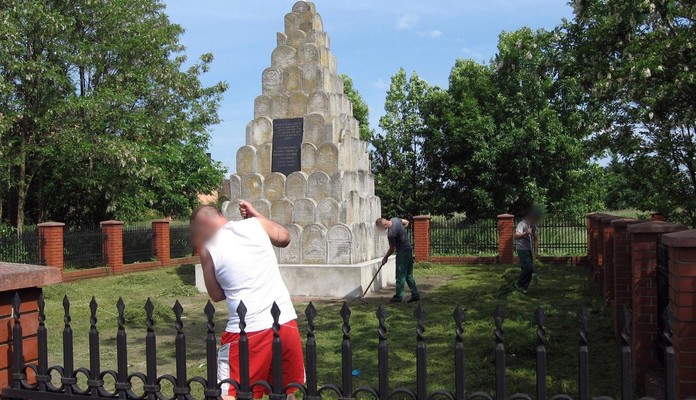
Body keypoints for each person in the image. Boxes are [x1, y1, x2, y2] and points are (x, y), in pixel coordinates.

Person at [190, 202, 304, 400]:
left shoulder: (208, 249)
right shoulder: (256, 224)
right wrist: (256, 215)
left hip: (247, 330)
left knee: (232, 392)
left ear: (203, 225)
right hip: (284, 321)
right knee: (284, 391)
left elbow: (216, 295)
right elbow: (285, 237)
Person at [376, 217, 421, 303]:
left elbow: (392, 249)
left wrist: (385, 258)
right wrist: (401, 232)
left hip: (402, 252)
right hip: (408, 249)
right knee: (409, 275)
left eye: (381, 228)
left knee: (400, 275)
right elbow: (406, 222)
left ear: (384, 225)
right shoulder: (395, 219)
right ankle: (415, 295)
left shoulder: (391, 233)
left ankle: (398, 297)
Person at [514, 208, 541, 293]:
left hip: (529, 250)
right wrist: (526, 233)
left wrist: (535, 253)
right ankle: (518, 284)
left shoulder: (533, 226)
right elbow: (515, 236)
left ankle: (524, 288)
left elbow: (536, 240)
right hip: (522, 249)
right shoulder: (522, 224)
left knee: (527, 269)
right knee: (529, 268)